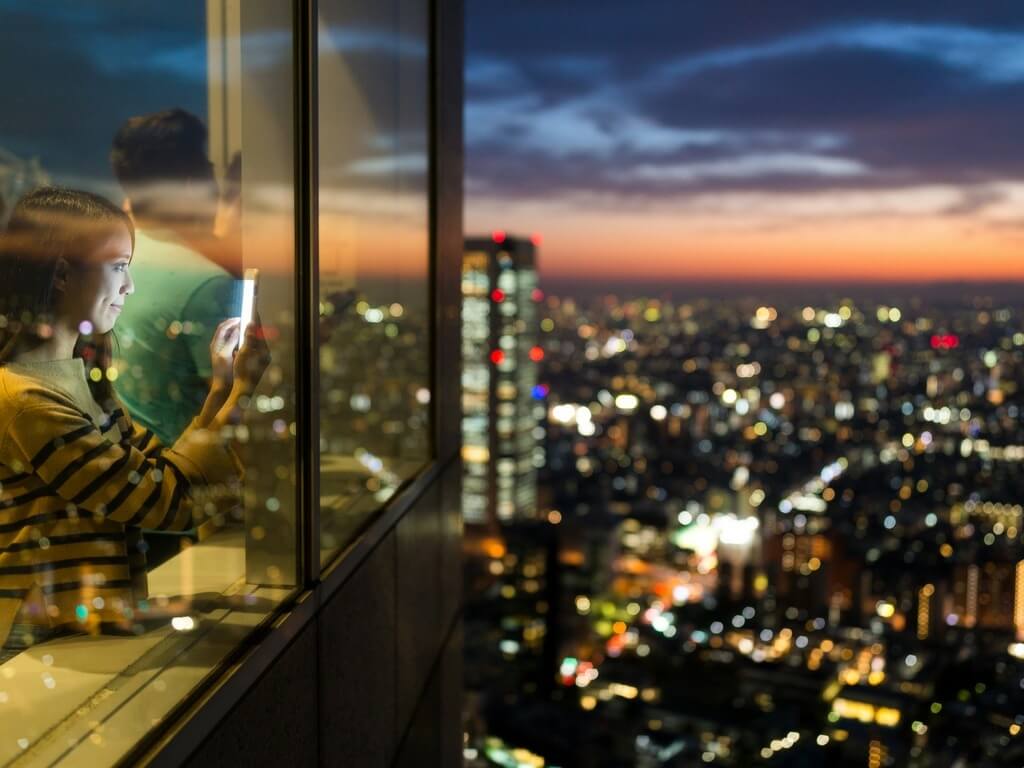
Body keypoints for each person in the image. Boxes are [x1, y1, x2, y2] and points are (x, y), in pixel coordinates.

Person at [0, 187, 267, 661]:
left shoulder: (77, 382)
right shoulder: (29, 403)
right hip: (38, 646)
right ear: (62, 272)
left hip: (76, 634)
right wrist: (242, 394)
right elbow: (171, 501)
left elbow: (158, 468)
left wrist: (223, 387)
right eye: (119, 266)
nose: (130, 287)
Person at [109, 108, 240, 446]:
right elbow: (231, 408)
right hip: (179, 475)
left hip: (128, 458)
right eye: (210, 173)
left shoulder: (114, 257)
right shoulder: (209, 285)